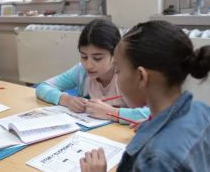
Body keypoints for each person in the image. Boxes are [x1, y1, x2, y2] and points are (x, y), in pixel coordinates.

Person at [80, 21, 210, 172]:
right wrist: (154, 124)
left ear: (141, 77)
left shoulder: (156, 159)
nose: (118, 77)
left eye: (119, 71)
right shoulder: (202, 109)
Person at [36, 19, 150, 124]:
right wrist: (66, 99)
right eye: (84, 57)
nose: (89, 65)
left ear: (116, 54)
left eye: (97, 58)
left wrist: (112, 113)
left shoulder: (127, 75)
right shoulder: (80, 72)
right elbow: (43, 87)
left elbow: (154, 112)